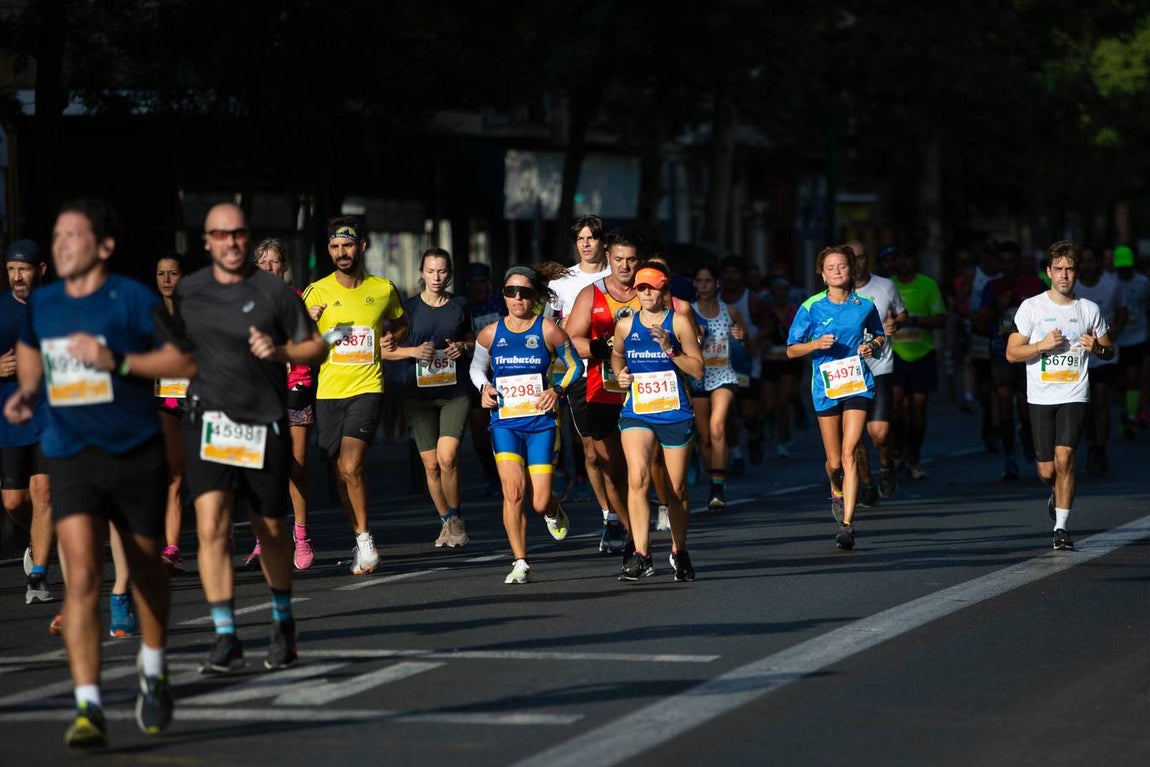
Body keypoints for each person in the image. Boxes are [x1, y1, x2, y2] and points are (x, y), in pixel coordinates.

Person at [4, 197, 197, 747]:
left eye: (74, 235)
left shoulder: (133, 300)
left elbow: (181, 362)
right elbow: (30, 352)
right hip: (70, 454)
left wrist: (119, 362)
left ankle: (154, 668)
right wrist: (27, 393)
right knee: (83, 578)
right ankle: (88, 705)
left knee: (144, 569)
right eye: (57, 236)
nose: (62, 244)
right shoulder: (44, 305)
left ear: (104, 246)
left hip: (135, 451)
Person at [176, 203, 327, 675]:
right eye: (220, 234)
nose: (231, 242)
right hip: (208, 423)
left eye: (239, 233)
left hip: (263, 421)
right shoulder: (190, 293)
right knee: (212, 527)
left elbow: (316, 347)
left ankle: (282, 620)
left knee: (271, 529)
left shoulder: (277, 293)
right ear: (207, 240)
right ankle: (225, 636)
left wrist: (282, 350)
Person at [303, 217, 407, 575]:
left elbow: (399, 321)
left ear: (361, 246)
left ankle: (366, 542)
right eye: (334, 247)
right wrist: (308, 321)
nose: (341, 253)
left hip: (367, 387)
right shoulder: (315, 292)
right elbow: (297, 342)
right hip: (329, 391)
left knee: (351, 465)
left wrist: (392, 337)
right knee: (339, 474)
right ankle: (359, 535)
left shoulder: (383, 288)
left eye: (347, 245)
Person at [470, 265, 583, 584]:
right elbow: (476, 369)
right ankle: (520, 561)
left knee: (538, 499)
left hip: (541, 425)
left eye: (525, 292)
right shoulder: (490, 333)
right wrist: (484, 388)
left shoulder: (548, 330)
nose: (517, 298)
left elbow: (574, 366)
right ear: (503, 296)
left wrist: (556, 390)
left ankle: (552, 510)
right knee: (513, 491)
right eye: (511, 292)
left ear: (535, 297)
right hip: (505, 423)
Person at [1005, 241, 1113, 550]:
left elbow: (1109, 350)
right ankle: (1054, 489)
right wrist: (1041, 345)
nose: (1064, 275)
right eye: (1059, 269)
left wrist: (1098, 348)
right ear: (1049, 272)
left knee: (1066, 458)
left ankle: (1061, 528)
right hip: (1040, 396)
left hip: (1074, 393)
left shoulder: (1089, 309)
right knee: (1047, 469)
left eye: (1070, 269)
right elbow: (1012, 353)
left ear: (1076, 272)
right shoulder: (1032, 307)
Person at [786, 244, 886, 551]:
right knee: (834, 463)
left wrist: (873, 347)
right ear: (822, 274)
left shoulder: (865, 305)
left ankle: (848, 525)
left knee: (850, 450)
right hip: (826, 388)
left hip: (857, 384)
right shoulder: (811, 307)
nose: (837, 272)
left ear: (852, 269)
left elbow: (879, 336)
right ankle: (835, 485)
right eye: (831, 268)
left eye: (842, 266)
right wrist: (815, 344)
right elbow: (791, 349)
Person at [612, 262, 704, 580]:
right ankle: (642, 554)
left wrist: (669, 349)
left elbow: (698, 370)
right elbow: (616, 356)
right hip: (637, 411)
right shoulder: (625, 325)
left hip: (675, 411)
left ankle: (679, 551)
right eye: (641, 288)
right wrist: (620, 375)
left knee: (676, 489)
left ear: (664, 290)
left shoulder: (679, 323)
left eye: (652, 287)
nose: (646, 293)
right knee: (637, 478)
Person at [381, 248, 473, 548]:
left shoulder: (459, 305)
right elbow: (384, 349)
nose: (437, 277)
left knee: (447, 459)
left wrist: (463, 346)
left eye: (443, 271)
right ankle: (445, 520)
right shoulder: (408, 309)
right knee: (431, 466)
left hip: (454, 392)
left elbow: (474, 340)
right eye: (431, 271)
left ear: (450, 273)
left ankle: (457, 517)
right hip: (418, 396)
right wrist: (413, 351)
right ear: (421, 273)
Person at [564, 228, 644, 559]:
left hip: (645, 391)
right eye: (619, 259)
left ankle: (652, 517)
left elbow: (677, 325)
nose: (625, 266)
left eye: (631, 260)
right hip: (603, 389)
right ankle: (629, 533)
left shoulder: (650, 290)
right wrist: (600, 347)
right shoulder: (591, 294)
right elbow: (569, 340)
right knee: (611, 467)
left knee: (642, 466)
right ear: (608, 257)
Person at [546, 215, 618, 540]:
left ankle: (636, 498)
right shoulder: (561, 283)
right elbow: (545, 328)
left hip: (620, 373)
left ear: (604, 242)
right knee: (591, 452)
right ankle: (608, 515)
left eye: (592, 238)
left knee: (625, 443)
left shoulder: (618, 275)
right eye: (581, 239)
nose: (586, 244)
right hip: (580, 373)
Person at [254, 238, 318, 570]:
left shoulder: (297, 300)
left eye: (274, 261)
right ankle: (262, 540)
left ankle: (301, 536)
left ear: (285, 265)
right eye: (262, 261)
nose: (268, 267)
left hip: (295, 386)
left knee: (294, 466)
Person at [0, 239, 54, 606]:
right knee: (15, 503)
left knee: (43, 493)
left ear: (41, 271)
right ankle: (40, 539)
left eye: (24, 269)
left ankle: (38, 575)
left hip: (51, 414)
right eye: (12, 270)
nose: (18, 277)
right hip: (10, 420)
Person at [977, 241, 1045, 479]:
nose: (1006, 267)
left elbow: (1050, 315)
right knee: (1004, 401)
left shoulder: (1035, 285)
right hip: (1001, 352)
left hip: (1029, 352)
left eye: (1011, 261)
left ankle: (1027, 434)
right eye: (1002, 262)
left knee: (1025, 405)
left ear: (1019, 262)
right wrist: (997, 308)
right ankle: (1009, 457)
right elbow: (980, 323)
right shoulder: (992, 288)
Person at [847, 240, 907, 504]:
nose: (856, 264)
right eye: (850, 259)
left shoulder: (885, 286)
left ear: (867, 259)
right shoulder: (836, 294)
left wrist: (896, 323)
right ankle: (867, 484)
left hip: (880, 367)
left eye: (860, 258)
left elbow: (902, 314)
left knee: (879, 433)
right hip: (849, 373)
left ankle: (886, 465)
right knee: (855, 436)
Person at [689, 263, 748, 512]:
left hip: (724, 375)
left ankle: (718, 488)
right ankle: (711, 473)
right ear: (695, 285)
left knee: (718, 427)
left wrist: (742, 337)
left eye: (708, 281)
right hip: (697, 376)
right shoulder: (687, 313)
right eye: (700, 281)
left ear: (717, 284)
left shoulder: (731, 311)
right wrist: (695, 337)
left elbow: (746, 349)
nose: (704, 285)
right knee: (704, 437)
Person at [887, 244, 946, 480]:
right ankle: (899, 449)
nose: (902, 263)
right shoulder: (887, 286)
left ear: (914, 261)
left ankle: (914, 456)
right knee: (896, 407)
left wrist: (916, 321)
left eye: (906, 258)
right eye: (898, 259)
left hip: (922, 355)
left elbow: (941, 319)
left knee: (918, 408)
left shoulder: (927, 285)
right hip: (895, 355)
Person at [1073, 245, 1125, 475]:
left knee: (1101, 399)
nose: (1086, 266)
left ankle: (1100, 450)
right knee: (1085, 406)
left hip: (1104, 356)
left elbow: (1122, 312)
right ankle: (1091, 445)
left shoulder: (1111, 287)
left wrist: (1112, 333)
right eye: (1082, 261)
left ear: (1097, 264)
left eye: (1090, 261)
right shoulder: (1071, 289)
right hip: (1080, 357)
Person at [153, 254, 189, 574]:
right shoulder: (150, 317)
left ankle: (224, 535)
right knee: (173, 478)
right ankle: (172, 546)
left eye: (173, 273)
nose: (166, 279)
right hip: (165, 402)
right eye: (161, 274)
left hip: (200, 403)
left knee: (210, 480)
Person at [718, 255, 769, 471]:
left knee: (748, 412)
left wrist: (756, 339)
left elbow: (768, 326)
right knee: (727, 413)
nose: (730, 276)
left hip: (747, 365)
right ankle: (737, 455)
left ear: (741, 276)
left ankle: (754, 432)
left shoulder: (752, 300)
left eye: (735, 272)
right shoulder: (714, 299)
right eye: (727, 272)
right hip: (720, 367)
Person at [464, 262, 505, 497]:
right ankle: (491, 475)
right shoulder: (465, 308)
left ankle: (508, 473)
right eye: (474, 283)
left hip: (503, 372)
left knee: (505, 426)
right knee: (479, 433)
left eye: (483, 282)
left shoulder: (501, 303)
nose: (478, 287)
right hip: (476, 372)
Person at [760, 276, 802, 457]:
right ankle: (772, 426)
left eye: (785, 290)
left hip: (789, 363)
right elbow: (759, 331)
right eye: (778, 290)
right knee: (769, 406)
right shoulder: (766, 312)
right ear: (773, 292)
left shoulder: (795, 312)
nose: (781, 293)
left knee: (783, 403)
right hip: (769, 361)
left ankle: (781, 438)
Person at [1113, 245, 1150, 439]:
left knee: (1134, 377)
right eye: (1121, 267)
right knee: (1119, 383)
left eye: (1127, 266)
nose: (1124, 270)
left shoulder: (1143, 282)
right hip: (1117, 339)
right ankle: (1126, 408)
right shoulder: (1111, 283)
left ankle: (1132, 417)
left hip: (1138, 337)